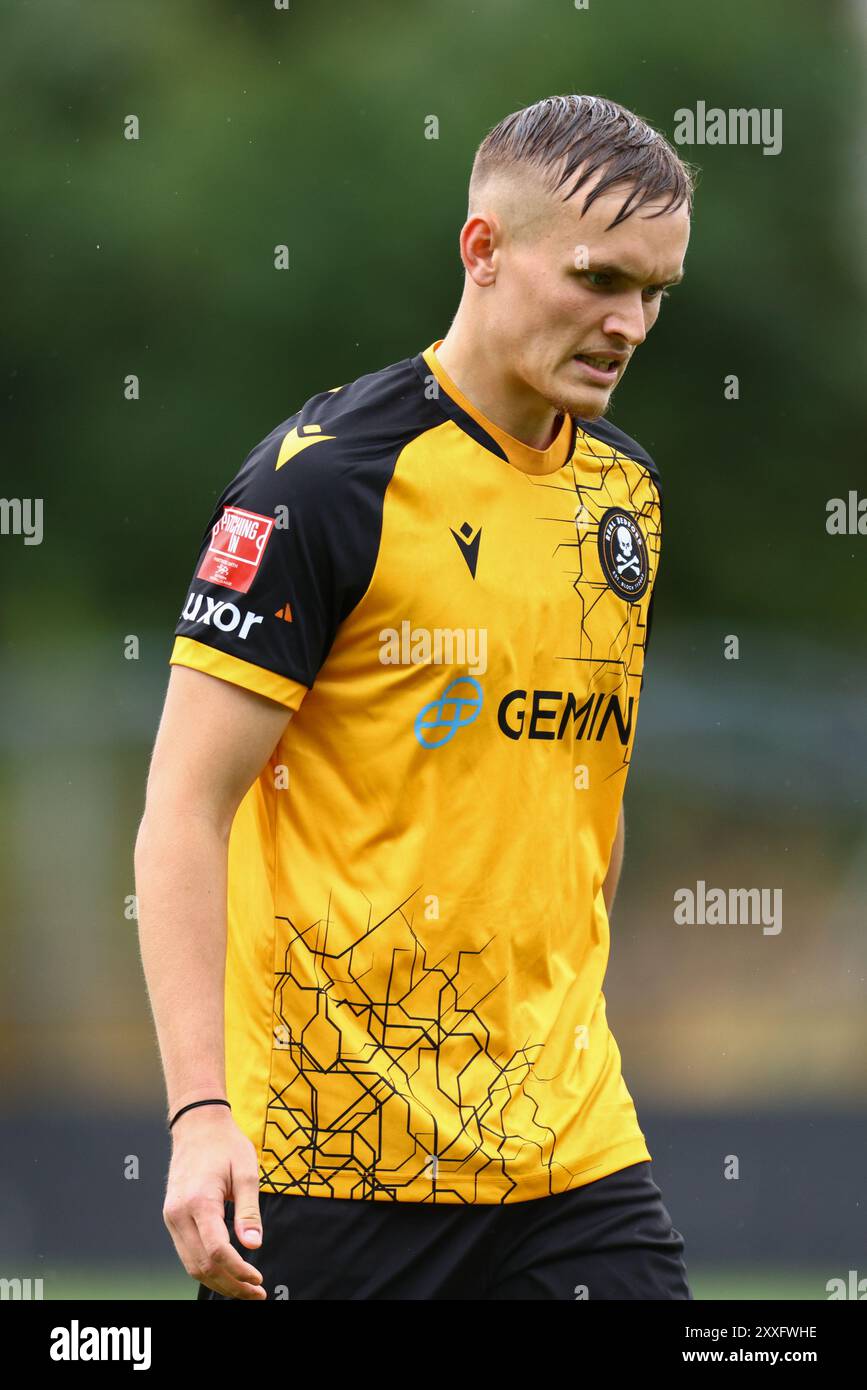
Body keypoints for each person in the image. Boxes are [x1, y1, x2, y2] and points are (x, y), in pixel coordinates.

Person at [135, 92, 695, 1300]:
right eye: (599, 278)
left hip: (570, 1146)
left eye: (655, 291)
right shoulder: (324, 482)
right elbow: (184, 806)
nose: (630, 322)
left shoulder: (626, 497)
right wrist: (197, 1114)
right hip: (338, 1156)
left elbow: (583, 787)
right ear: (483, 251)